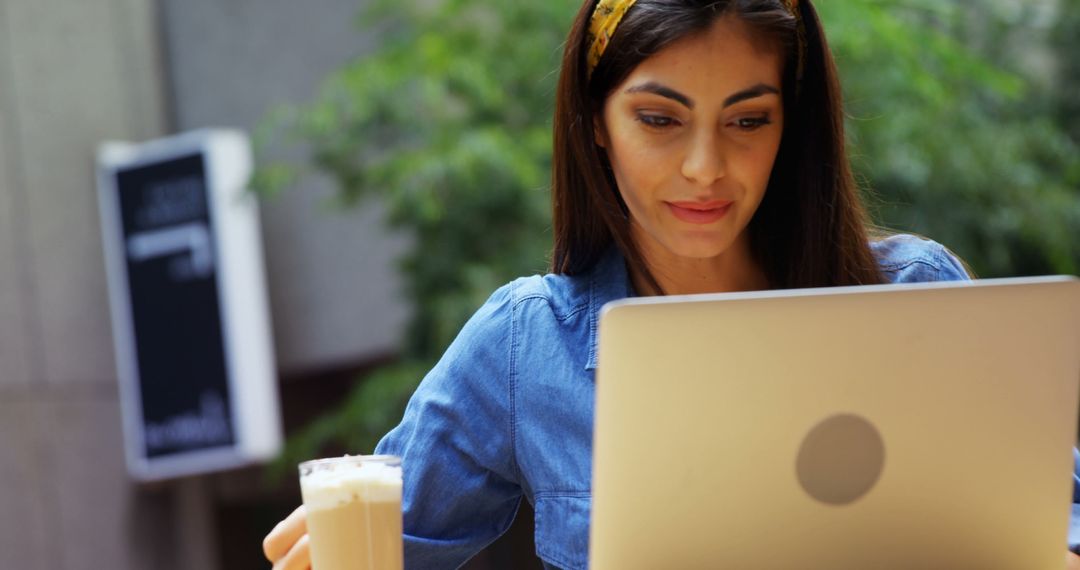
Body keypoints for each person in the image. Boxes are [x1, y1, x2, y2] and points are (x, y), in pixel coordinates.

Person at [264, 1, 1080, 568]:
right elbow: (365, 545)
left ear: (789, 127)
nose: (704, 168)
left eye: (748, 119)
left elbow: (1060, 530)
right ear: (596, 124)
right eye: (659, 119)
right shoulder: (526, 346)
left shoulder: (916, 300)